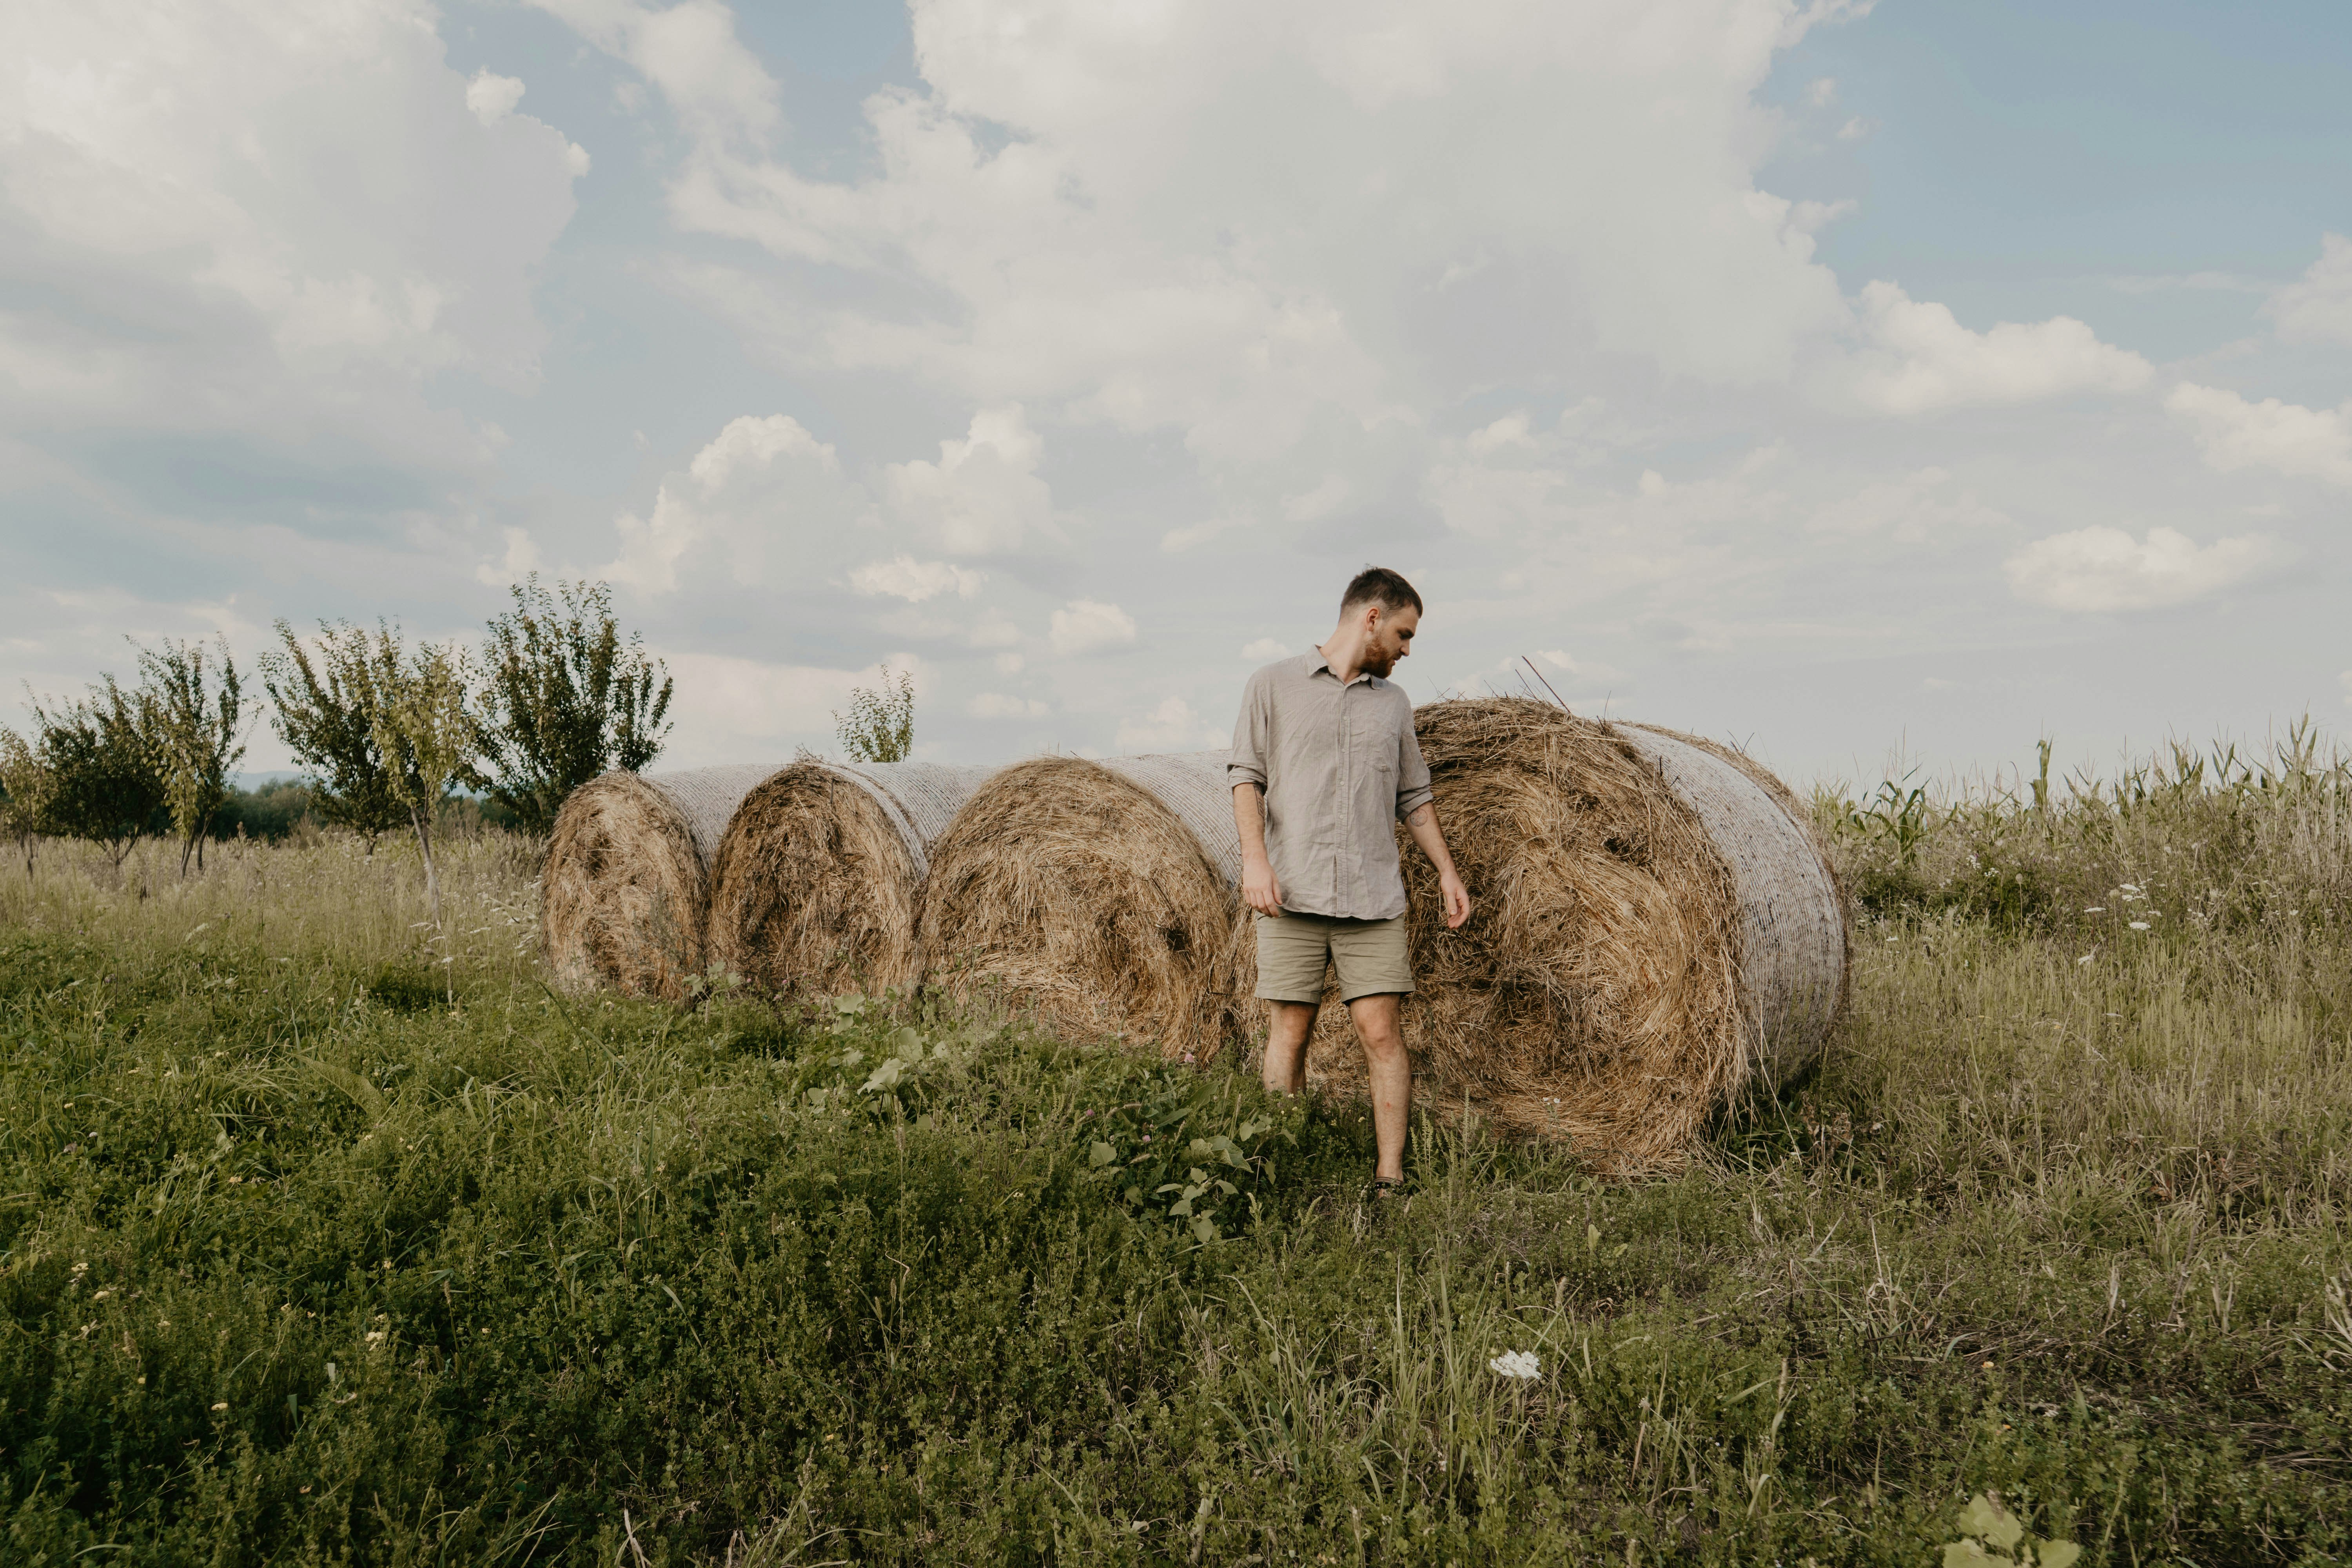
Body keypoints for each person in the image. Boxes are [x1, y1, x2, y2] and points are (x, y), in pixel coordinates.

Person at [1228, 566, 1471, 1194]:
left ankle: (1390, 1177)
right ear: (1372, 618)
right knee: (1291, 1031)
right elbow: (1245, 779)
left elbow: (1414, 797)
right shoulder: (1272, 685)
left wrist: (1447, 872)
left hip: (1373, 897)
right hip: (1294, 893)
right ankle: (1281, 1167)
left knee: (1381, 1033)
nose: (1407, 650)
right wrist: (1256, 862)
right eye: (1405, 634)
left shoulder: (1393, 706)